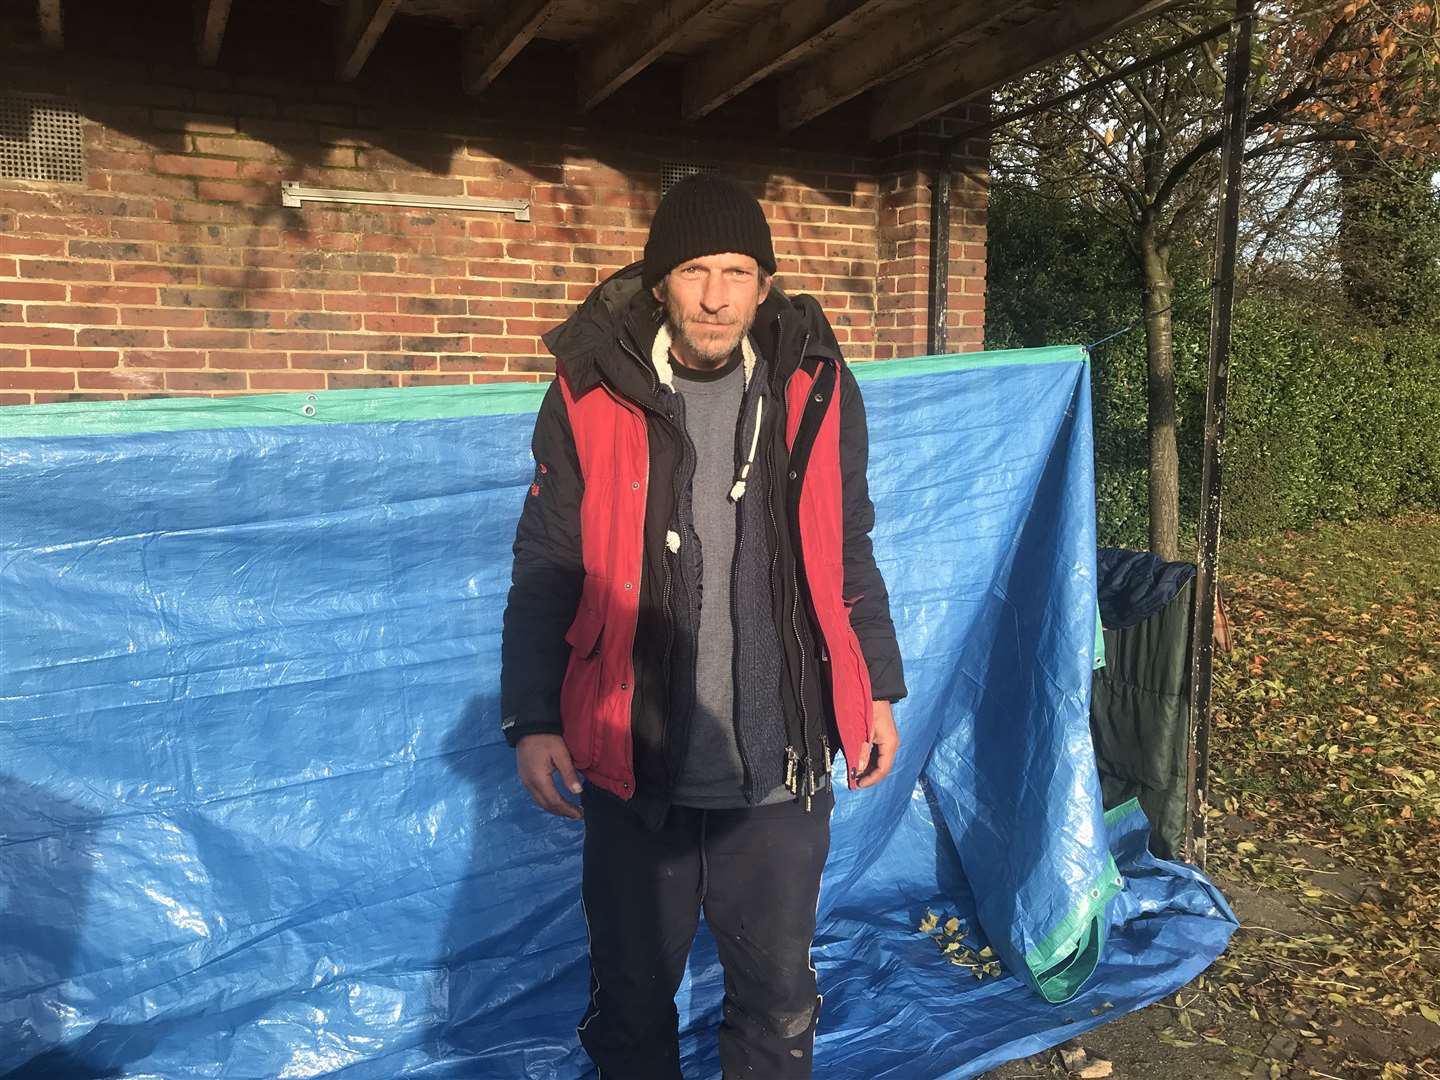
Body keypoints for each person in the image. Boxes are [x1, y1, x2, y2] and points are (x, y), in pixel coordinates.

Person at [500, 173, 906, 1079]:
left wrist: (875, 686)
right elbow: (546, 563)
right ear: (660, 283)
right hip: (632, 754)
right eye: (693, 270)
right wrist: (531, 717)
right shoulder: (590, 391)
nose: (716, 296)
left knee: (775, 1006)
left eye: (736, 271)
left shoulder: (819, 387)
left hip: (781, 763)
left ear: (765, 284)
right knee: (632, 1005)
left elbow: (849, 546)